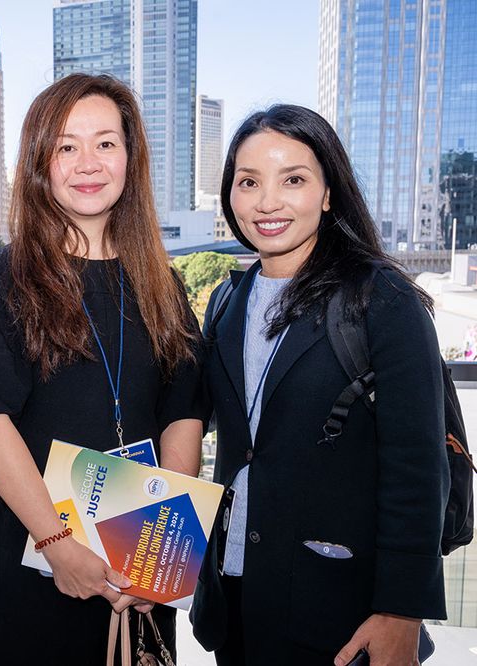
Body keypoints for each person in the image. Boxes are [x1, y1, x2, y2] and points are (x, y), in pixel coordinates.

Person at [0, 73, 205, 665]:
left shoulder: (160, 283)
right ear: (41, 161)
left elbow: (184, 410)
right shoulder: (5, 277)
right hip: (32, 556)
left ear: (130, 156)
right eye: (67, 145)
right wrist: (58, 544)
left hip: (137, 558)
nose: (88, 162)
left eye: (105, 143)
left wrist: (164, 551)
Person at [189, 104, 449, 665]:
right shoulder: (226, 302)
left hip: (340, 614)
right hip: (235, 599)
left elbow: (419, 466)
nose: (267, 201)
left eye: (294, 180)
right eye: (248, 181)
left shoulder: (381, 299)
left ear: (328, 192)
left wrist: (401, 612)